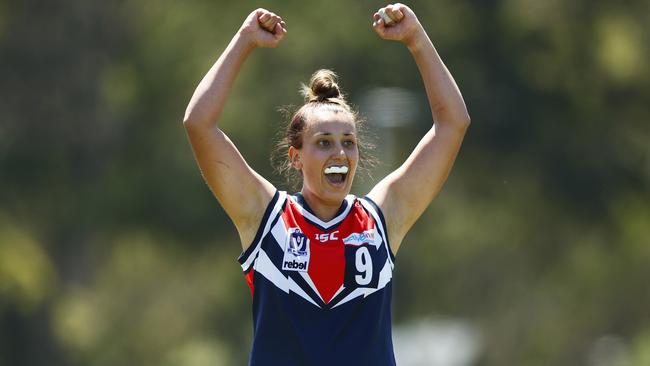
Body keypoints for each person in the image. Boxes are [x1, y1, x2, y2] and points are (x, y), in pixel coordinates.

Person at [183, 4, 470, 365]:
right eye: (323, 142)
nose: (339, 152)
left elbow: (453, 124)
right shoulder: (265, 216)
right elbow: (199, 124)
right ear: (296, 157)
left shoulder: (382, 217)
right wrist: (244, 41)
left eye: (348, 142)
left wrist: (416, 39)